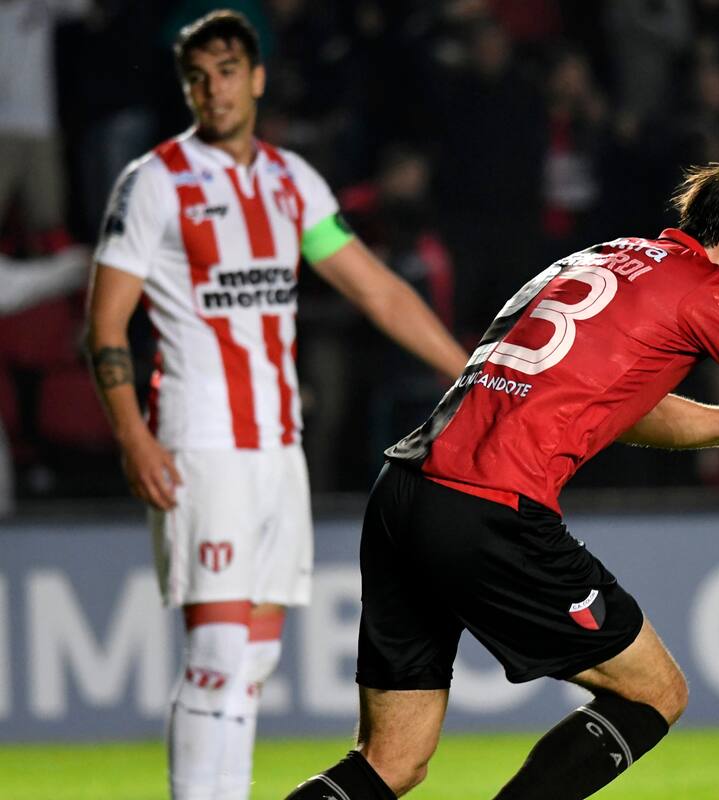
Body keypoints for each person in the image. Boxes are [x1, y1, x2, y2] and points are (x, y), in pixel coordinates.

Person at [286, 162, 719, 800]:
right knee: (655, 693)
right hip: (490, 507)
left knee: (392, 760)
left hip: (406, 492)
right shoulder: (707, 287)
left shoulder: (604, 257)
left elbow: (631, 407)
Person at [85, 11, 467, 800]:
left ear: (256, 78)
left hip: (275, 445)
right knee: (218, 655)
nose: (212, 88)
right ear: (185, 86)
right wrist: (134, 436)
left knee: (252, 661)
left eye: (226, 70)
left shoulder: (291, 181)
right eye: (197, 75)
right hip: (200, 439)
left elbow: (376, 289)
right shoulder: (153, 181)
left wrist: (468, 370)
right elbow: (105, 321)